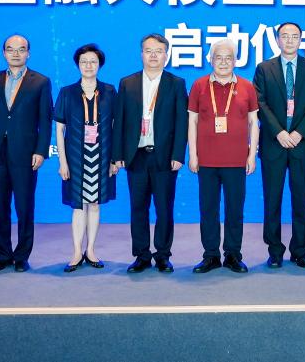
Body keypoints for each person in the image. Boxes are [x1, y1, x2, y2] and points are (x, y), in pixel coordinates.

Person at [112, 34, 188, 274]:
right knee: (138, 208)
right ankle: (141, 255)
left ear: (166, 55)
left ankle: (163, 255)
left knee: (164, 208)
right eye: (148, 50)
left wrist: (178, 154)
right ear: (141, 54)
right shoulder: (127, 83)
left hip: (164, 156)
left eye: (158, 51)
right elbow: (119, 121)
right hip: (136, 155)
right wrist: (117, 154)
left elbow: (182, 122)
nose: (153, 55)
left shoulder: (176, 83)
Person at [0, 34, 52, 272]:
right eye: (10, 49)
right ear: (4, 53)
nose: (16, 54)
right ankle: (2, 255)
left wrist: (41, 151)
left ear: (28, 53)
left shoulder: (40, 81)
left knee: (24, 206)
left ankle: (22, 256)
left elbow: (45, 120)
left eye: (21, 49)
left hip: (26, 153)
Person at [253, 22, 305, 269]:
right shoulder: (264, 68)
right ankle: (274, 251)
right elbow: (260, 103)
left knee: (301, 199)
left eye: (295, 36)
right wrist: (279, 132)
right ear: (277, 40)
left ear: (301, 40)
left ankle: (300, 251)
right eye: (285, 36)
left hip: (301, 145)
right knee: (272, 200)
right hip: (274, 145)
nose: (290, 40)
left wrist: (299, 133)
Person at [187, 39, 260, 274]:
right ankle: (210, 255)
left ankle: (233, 255)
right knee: (208, 209)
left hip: (236, 160)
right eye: (218, 57)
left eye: (228, 58)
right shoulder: (199, 85)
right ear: (211, 60)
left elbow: (254, 123)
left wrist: (252, 155)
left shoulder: (247, 87)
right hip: (206, 161)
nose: (223, 62)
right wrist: (193, 154)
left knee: (234, 209)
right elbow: (192, 122)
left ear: (235, 61)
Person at [55, 43, 117, 272]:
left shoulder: (109, 91)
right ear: (77, 65)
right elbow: (59, 130)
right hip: (75, 157)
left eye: (93, 62)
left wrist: (114, 160)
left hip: (102, 156)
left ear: (100, 64)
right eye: (84, 62)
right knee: (78, 206)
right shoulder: (67, 92)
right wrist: (62, 162)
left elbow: (116, 126)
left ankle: (90, 250)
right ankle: (76, 252)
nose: (88, 66)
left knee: (95, 205)